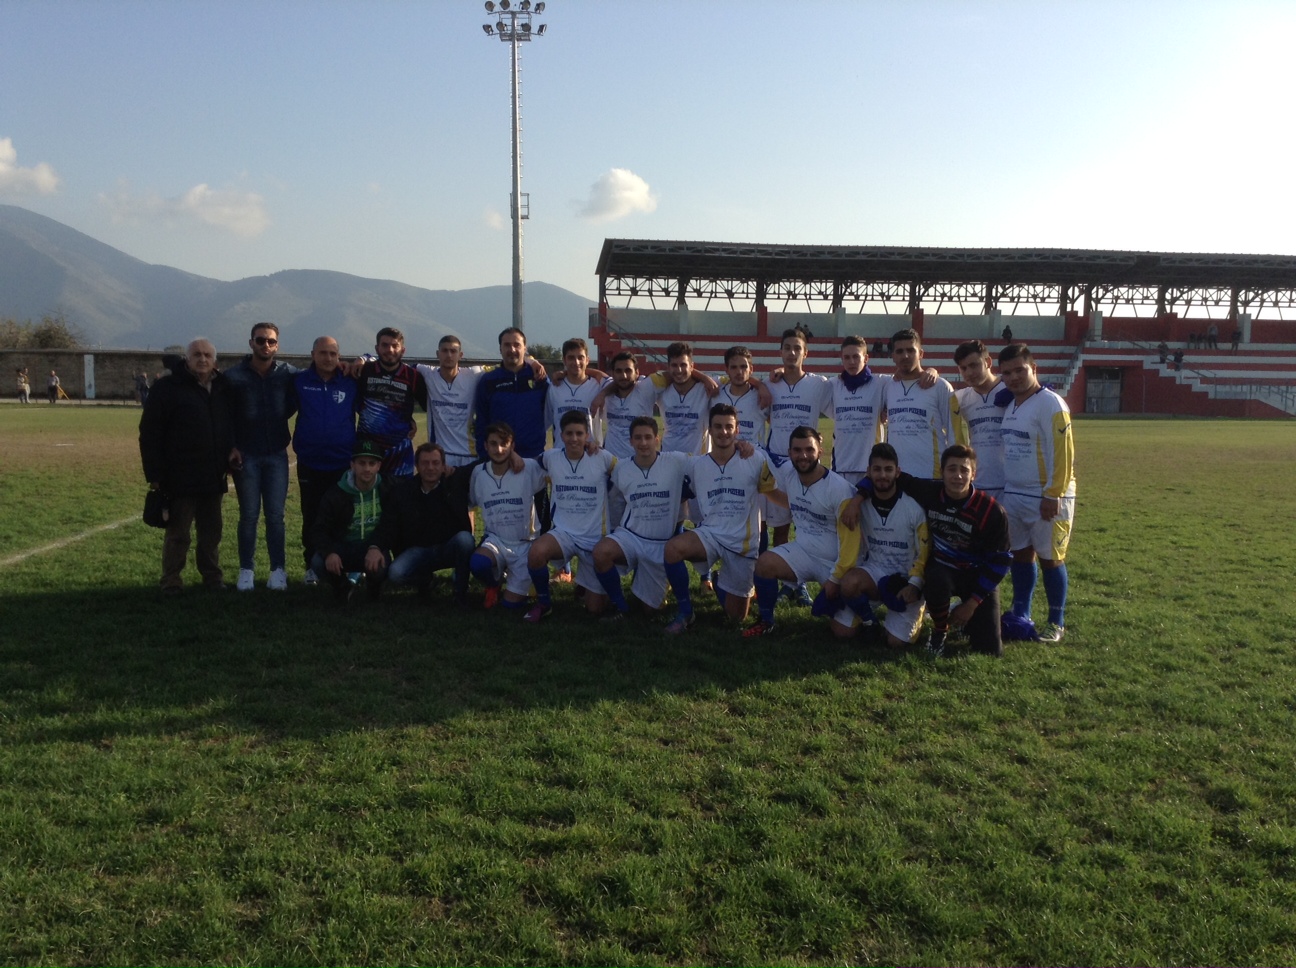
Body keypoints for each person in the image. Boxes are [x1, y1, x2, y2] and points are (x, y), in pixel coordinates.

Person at [662, 404, 775, 633]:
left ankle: (720, 579)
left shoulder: (755, 459)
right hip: (711, 535)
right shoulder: (696, 464)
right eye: (718, 427)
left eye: (729, 427)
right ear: (710, 430)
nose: (724, 432)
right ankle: (686, 612)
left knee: (736, 618)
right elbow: (653, 457)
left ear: (737, 429)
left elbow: (773, 492)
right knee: (673, 549)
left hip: (742, 543)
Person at [743, 425, 861, 638]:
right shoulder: (789, 471)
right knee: (765, 563)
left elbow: (851, 544)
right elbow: (765, 454)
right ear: (790, 453)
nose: (803, 455)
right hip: (803, 552)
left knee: (844, 633)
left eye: (809, 449)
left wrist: (835, 579)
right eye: (797, 450)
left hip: (834, 564)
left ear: (820, 451)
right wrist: (744, 448)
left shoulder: (839, 490)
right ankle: (766, 621)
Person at [138, 338, 235, 595]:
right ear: (187, 359)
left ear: (215, 361)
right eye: (197, 355)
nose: (202, 359)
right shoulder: (168, 387)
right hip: (179, 475)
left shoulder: (222, 387)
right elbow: (150, 433)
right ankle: (171, 580)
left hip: (213, 473)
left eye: (207, 355)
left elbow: (229, 424)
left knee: (211, 533)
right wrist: (154, 474)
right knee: (178, 533)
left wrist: (231, 450)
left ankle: (212, 577)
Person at [998, 342, 1075, 643]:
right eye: (1007, 373)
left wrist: (1053, 493)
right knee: (1020, 555)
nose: (1014, 377)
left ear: (1034, 369)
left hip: (1045, 496)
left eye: (1020, 370)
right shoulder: (1011, 405)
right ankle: (1021, 612)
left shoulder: (1051, 404)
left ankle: (1056, 622)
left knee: (1050, 558)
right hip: (1015, 493)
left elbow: (1063, 453)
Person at [224, 321, 299, 591]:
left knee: (276, 516)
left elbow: (319, 373)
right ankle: (246, 569)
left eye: (270, 341)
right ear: (251, 343)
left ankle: (278, 569)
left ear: (277, 345)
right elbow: (224, 415)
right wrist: (230, 446)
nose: (265, 345)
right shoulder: (233, 376)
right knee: (248, 516)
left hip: (276, 453)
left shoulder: (287, 373)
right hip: (246, 455)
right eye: (260, 340)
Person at [593, 417, 692, 620]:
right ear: (631, 441)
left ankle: (652, 583)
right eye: (638, 438)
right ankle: (620, 606)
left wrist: (740, 447)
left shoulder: (676, 461)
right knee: (601, 552)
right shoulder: (621, 468)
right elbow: (614, 501)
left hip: (660, 544)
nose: (643, 442)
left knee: (651, 611)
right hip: (631, 536)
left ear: (657, 439)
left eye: (648, 437)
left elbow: (709, 463)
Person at [524, 411, 617, 621]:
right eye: (569, 433)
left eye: (579, 433)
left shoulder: (602, 458)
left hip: (594, 537)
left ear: (587, 436)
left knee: (595, 609)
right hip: (563, 533)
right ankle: (544, 603)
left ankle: (586, 586)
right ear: (561, 435)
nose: (574, 438)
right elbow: (532, 464)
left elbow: (626, 471)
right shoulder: (551, 457)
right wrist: (512, 457)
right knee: (537, 552)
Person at [837, 443, 930, 648]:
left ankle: (921, 609)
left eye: (888, 469)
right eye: (877, 469)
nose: (882, 475)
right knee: (842, 630)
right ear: (868, 472)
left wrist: (914, 585)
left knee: (895, 642)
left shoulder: (913, 508)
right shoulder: (860, 504)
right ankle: (870, 621)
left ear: (898, 472)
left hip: (904, 579)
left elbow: (924, 553)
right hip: (875, 572)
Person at [764, 326, 833, 606]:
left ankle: (804, 582)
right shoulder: (769, 384)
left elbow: (845, 400)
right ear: (780, 352)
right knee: (780, 527)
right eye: (787, 348)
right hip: (777, 462)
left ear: (806, 353)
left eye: (797, 348)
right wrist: (762, 381)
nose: (792, 353)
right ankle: (789, 583)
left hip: (806, 464)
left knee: (807, 525)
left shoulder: (820, 384)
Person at [292, 336, 357, 584]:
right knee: (311, 516)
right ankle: (312, 565)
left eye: (332, 354)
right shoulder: (299, 381)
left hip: (342, 462)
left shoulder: (350, 382)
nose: (328, 358)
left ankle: (347, 564)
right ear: (313, 355)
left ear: (339, 356)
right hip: (310, 463)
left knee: (344, 516)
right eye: (322, 353)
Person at [379, 442, 476, 604]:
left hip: (448, 548)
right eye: (425, 463)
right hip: (419, 551)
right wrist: (376, 547)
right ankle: (426, 581)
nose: (430, 468)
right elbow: (389, 525)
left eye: (435, 463)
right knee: (396, 573)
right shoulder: (404, 491)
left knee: (465, 540)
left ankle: (460, 592)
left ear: (444, 465)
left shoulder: (455, 482)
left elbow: (480, 465)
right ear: (416, 466)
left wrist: (511, 456)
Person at [468, 422, 549, 613]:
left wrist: (587, 446)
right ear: (485, 445)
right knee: (478, 564)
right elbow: (471, 504)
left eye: (504, 444)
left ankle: (524, 582)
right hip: (495, 540)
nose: (499, 449)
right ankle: (493, 583)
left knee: (510, 606)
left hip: (525, 544)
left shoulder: (528, 467)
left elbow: (559, 469)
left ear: (512, 446)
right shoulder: (478, 473)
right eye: (493, 444)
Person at [309, 439, 391, 603]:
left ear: (379, 466)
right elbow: (319, 529)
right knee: (318, 562)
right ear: (352, 465)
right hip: (344, 547)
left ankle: (374, 587)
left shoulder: (388, 488)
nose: (367, 468)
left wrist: (376, 546)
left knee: (381, 565)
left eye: (371, 463)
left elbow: (391, 524)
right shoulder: (336, 493)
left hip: (372, 547)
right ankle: (341, 586)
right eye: (361, 463)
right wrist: (329, 552)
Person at [355, 326, 427, 479]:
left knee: (400, 494)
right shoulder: (364, 371)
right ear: (377, 348)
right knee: (367, 493)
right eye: (385, 345)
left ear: (403, 350)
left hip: (399, 455)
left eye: (395, 346)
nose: (390, 350)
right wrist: (363, 358)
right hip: (367, 452)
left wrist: (409, 419)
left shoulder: (413, 376)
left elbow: (429, 408)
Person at [883, 328, 955, 480]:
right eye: (900, 351)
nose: (905, 356)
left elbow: (954, 433)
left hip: (932, 475)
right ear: (893, 356)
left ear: (921, 353)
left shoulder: (940, 386)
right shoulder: (888, 386)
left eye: (911, 350)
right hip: (898, 477)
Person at [474, 327, 550, 461]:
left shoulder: (539, 378)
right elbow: (481, 422)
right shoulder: (488, 380)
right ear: (500, 349)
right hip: (499, 458)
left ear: (525, 348)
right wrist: (484, 456)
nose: (512, 349)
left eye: (517, 345)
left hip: (533, 457)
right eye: (507, 345)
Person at [950, 339, 1006, 498]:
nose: (969, 373)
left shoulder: (1011, 391)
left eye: (974, 365)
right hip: (978, 483)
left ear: (988, 362)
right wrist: (932, 371)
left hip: (1012, 484)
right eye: (963, 368)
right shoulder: (960, 398)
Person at [828, 335, 886, 485]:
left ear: (866, 358)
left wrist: (932, 371)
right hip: (841, 466)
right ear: (842, 359)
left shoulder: (881, 383)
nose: (851, 362)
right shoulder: (833, 385)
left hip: (871, 468)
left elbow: (906, 379)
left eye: (856, 356)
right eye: (847, 357)